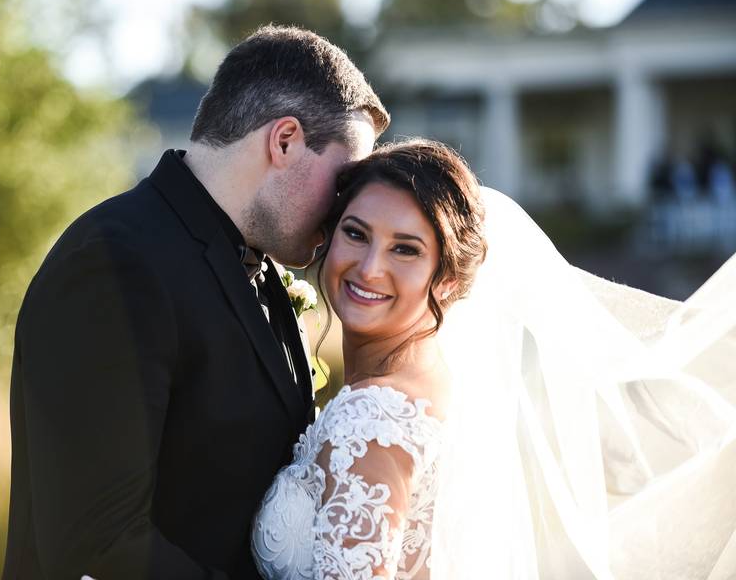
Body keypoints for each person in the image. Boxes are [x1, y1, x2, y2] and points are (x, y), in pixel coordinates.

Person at [1, 25, 389, 580]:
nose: (345, 208)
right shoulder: (112, 261)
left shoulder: (263, 265)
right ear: (284, 141)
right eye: (343, 179)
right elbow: (100, 544)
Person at [252, 139, 736, 579]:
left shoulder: (373, 416)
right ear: (329, 238)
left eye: (406, 249)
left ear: (446, 279)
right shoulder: (444, 381)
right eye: (356, 234)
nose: (370, 267)